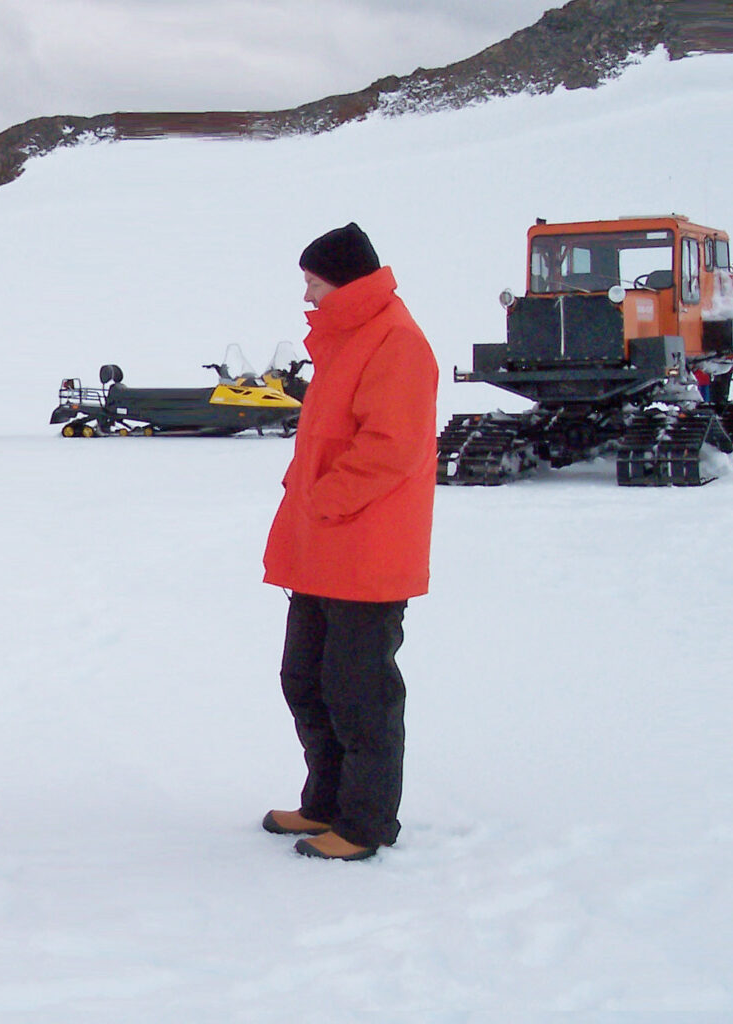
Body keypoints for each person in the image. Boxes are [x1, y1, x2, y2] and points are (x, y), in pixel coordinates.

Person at [259, 223, 438, 862]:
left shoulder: (396, 342)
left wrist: (323, 501)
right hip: (323, 548)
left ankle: (364, 824)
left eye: (313, 282)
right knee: (304, 678)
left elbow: (392, 447)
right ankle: (325, 802)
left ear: (345, 281)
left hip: (366, 554)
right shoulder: (348, 339)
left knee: (358, 691)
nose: (307, 296)